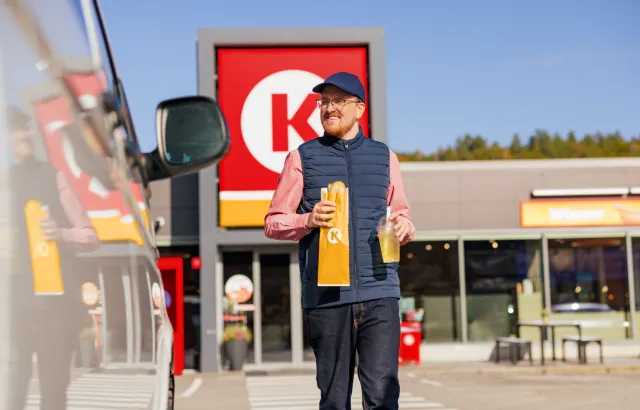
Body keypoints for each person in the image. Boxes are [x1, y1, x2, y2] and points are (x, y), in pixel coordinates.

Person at [264, 72, 416, 410]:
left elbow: (402, 213)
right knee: (334, 400)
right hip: (327, 298)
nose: (329, 108)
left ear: (359, 108)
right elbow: (273, 223)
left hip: (380, 290)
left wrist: (404, 227)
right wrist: (307, 220)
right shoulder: (301, 158)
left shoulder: (385, 157)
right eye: (324, 102)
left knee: (382, 395)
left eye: (338, 101)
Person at [7, 106, 100, 410]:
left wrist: (61, 233)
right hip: (9, 309)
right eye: (11, 130)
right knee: (11, 391)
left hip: (53, 308)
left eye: (22, 128)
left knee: (53, 390)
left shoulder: (53, 177)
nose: (19, 136)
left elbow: (90, 235)